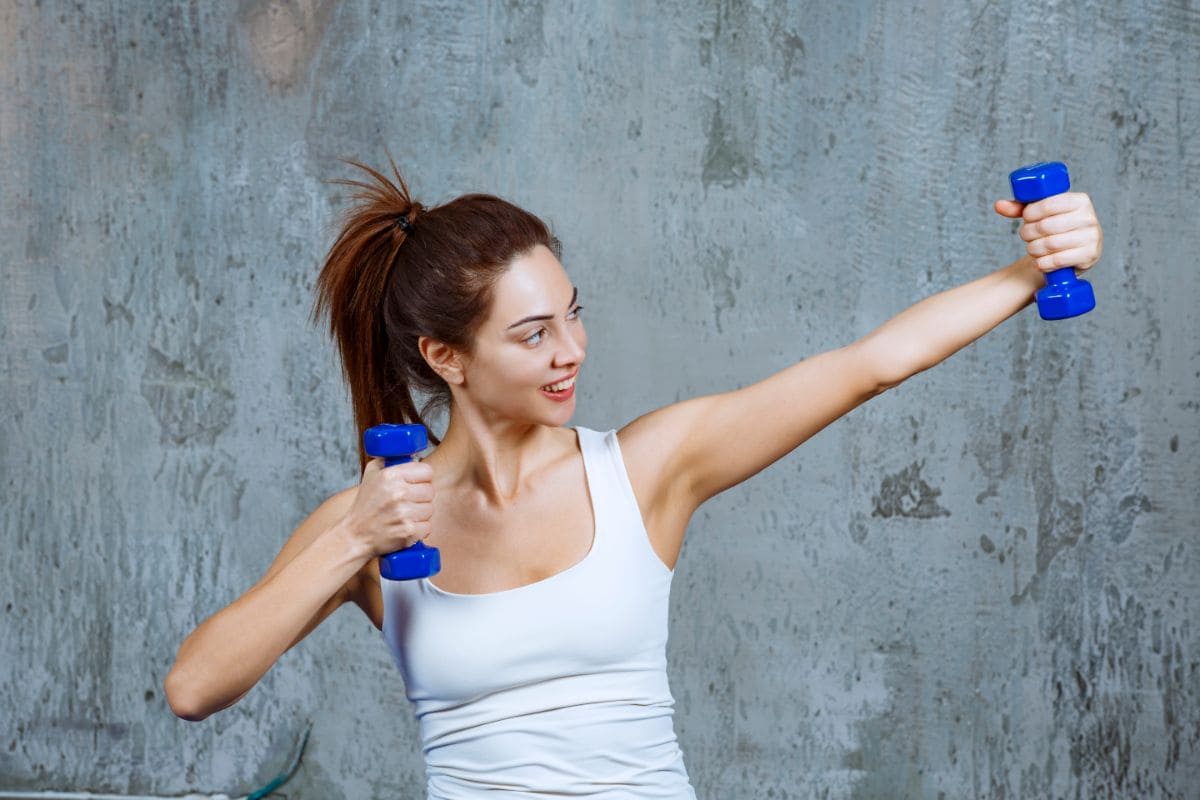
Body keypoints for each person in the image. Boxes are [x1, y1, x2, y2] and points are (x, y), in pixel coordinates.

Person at [164, 157, 1103, 797]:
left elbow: (870, 362)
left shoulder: (648, 470)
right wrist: (352, 539)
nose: (571, 351)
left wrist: (1031, 268)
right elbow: (194, 688)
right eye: (533, 335)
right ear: (445, 357)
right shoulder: (371, 525)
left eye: (573, 315)